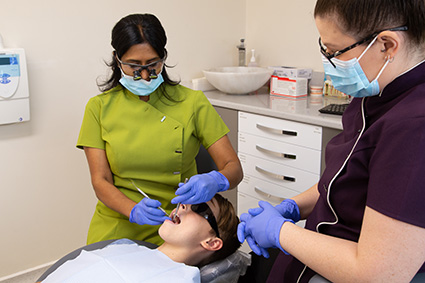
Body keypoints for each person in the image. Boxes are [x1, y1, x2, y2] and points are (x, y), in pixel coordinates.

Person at [237, 0, 425, 282]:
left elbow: (380, 273)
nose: (328, 60)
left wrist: (280, 232)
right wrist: (292, 207)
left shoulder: (414, 128)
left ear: (386, 45)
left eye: (335, 52)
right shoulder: (374, 92)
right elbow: (344, 179)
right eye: (324, 49)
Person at [76, 13, 243, 245]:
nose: (145, 75)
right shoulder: (98, 108)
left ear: (163, 57)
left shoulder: (192, 102)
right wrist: (133, 210)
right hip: (120, 220)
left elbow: (234, 168)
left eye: (152, 64)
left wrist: (216, 180)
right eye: (134, 66)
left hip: (179, 223)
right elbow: (100, 181)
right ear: (117, 59)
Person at [39, 194, 242, 282]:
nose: (183, 206)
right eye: (184, 201)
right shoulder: (124, 247)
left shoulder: (182, 278)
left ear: (211, 242)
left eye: (199, 208)